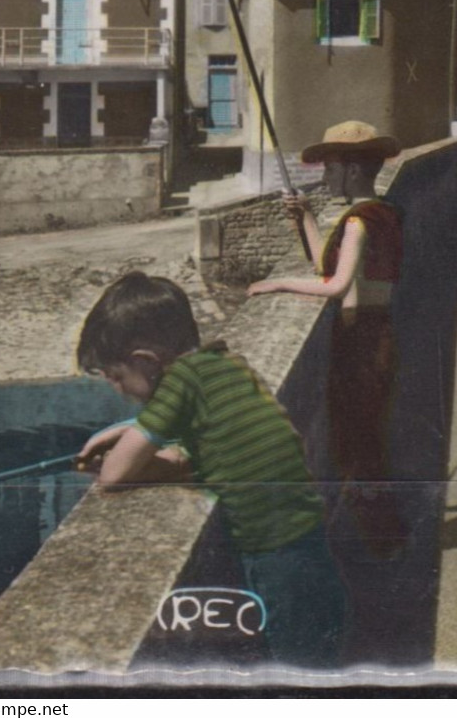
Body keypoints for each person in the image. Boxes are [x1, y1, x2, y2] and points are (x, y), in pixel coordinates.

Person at [75, 272, 347, 668]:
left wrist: (125, 446)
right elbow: (198, 453)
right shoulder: (224, 363)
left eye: (117, 377)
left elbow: (114, 476)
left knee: (296, 672)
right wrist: (136, 433)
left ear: (145, 362)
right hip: (309, 541)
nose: (118, 390)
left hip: (274, 555)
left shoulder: (179, 383)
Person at [247, 120, 407, 557]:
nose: (324, 177)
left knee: (359, 441)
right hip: (377, 335)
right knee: (367, 438)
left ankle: (381, 547)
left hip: (362, 343)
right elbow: (326, 265)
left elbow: (335, 286)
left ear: (353, 169)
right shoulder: (383, 212)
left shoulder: (358, 221)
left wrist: (278, 284)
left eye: (331, 168)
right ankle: (382, 541)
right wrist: (308, 220)